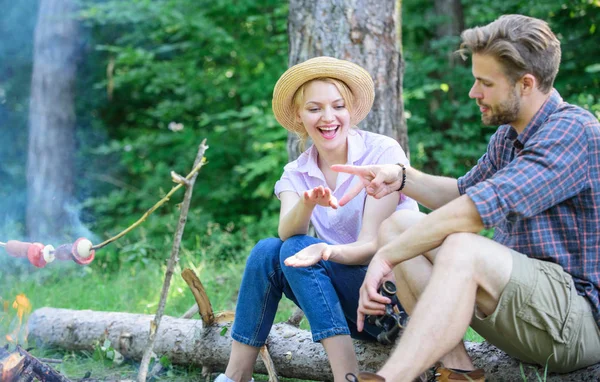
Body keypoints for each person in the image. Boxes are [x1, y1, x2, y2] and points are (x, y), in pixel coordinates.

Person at [332, 14, 600, 382]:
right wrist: (399, 177)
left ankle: (392, 379)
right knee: (398, 224)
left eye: (485, 83)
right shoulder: (509, 136)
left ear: (526, 84)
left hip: (577, 325)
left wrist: (385, 257)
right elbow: (461, 193)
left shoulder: (573, 132)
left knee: (463, 247)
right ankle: (456, 371)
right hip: (524, 313)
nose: (474, 92)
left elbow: (475, 211)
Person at [216, 56, 419, 382]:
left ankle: (346, 378)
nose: (328, 118)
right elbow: (287, 231)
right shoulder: (297, 172)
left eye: (338, 106)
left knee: (295, 248)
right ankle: (236, 376)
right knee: (268, 250)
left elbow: (371, 246)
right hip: (353, 312)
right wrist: (307, 205)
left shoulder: (382, 153)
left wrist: (324, 251)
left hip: (395, 303)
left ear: (350, 109)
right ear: (299, 115)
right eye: (314, 109)